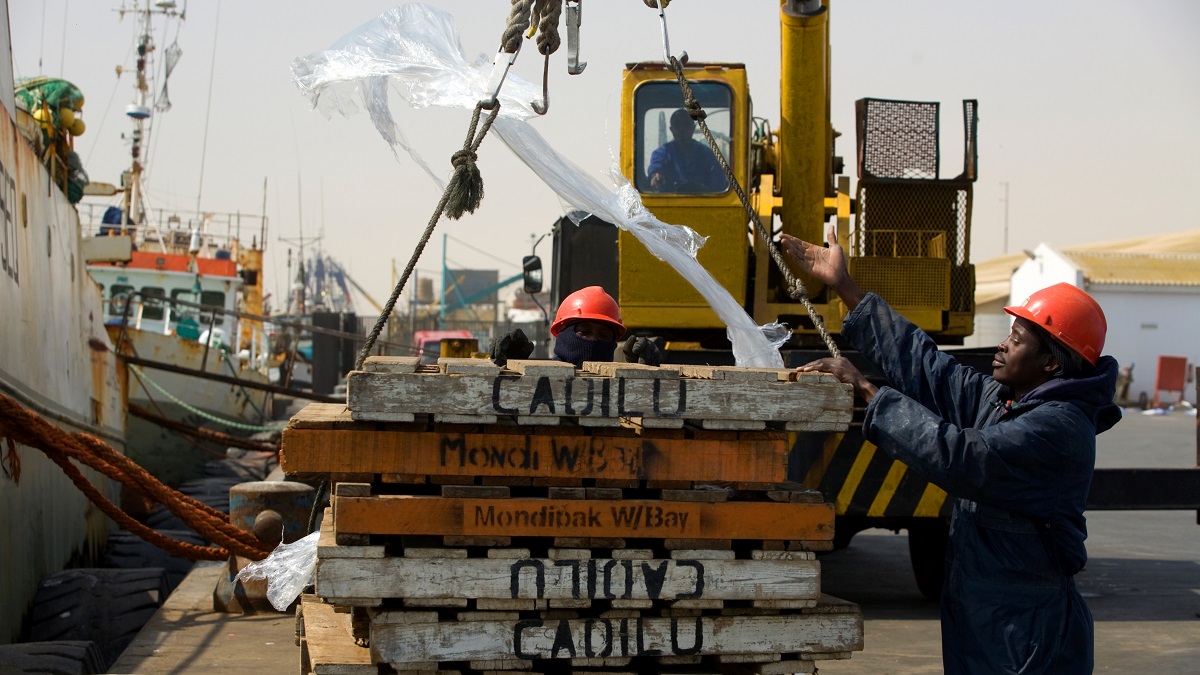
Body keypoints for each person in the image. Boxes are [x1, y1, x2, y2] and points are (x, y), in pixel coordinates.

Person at [780, 228, 1120, 674]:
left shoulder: (1057, 427)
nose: (1002, 343)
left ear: (1051, 363)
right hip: (986, 618)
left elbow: (962, 457)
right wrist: (845, 286)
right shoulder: (1008, 402)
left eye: (1016, 340)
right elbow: (929, 367)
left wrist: (866, 390)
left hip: (1025, 630)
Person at [489, 286, 660, 368]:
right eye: (584, 332)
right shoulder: (540, 380)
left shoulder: (619, 390)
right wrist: (509, 365)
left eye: (604, 336)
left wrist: (646, 373)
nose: (594, 340)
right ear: (563, 334)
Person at [646, 109, 728, 193]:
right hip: (669, 203)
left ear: (693, 128)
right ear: (671, 129)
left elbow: (718, 184)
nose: (682, 129)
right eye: (677, 125)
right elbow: (655, 166)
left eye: (686, 124)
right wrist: (655, 175)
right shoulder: (662, 153)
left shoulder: (708, 155)